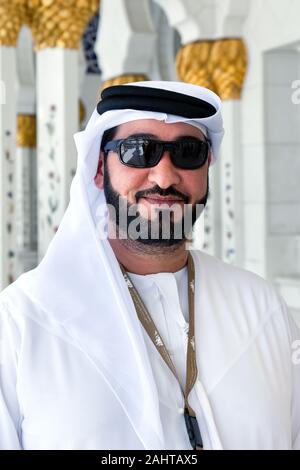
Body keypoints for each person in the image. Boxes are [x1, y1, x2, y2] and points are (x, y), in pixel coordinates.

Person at [0, 81, 299, 450]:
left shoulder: (263, 308)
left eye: (188, 152)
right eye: (139, 151)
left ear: (206, 169)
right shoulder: (22, 321)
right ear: (98, 168)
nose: (164, 176)